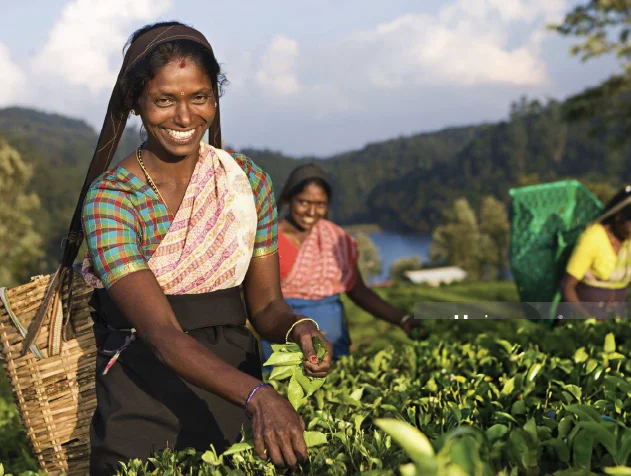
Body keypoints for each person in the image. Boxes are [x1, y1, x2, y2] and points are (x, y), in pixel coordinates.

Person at [80, 22, 333, 475]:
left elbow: (267, 305)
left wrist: (301, 329)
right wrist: (259, 395)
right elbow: (161, 335)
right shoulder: (113, 198)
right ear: (137, 102)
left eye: (199, 97)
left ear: (215, 97)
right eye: (164, 100)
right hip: (143, 398)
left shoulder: (245, 182)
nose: (184, 117)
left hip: (235, 404)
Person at [259, 164, 425, 365]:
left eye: (320, 204)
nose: (311, 211)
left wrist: (402, 319)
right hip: (285, 341)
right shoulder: (267, 238)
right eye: (303, 202)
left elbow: (359, 292)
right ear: (287, 199)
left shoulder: (336, 239)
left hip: (333, 342)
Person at [561, 185, 631, 319]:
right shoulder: (593, 237)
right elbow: (567, 286)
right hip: (584, 318)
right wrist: (585, 320)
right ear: (619, 217)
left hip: (615, 320)